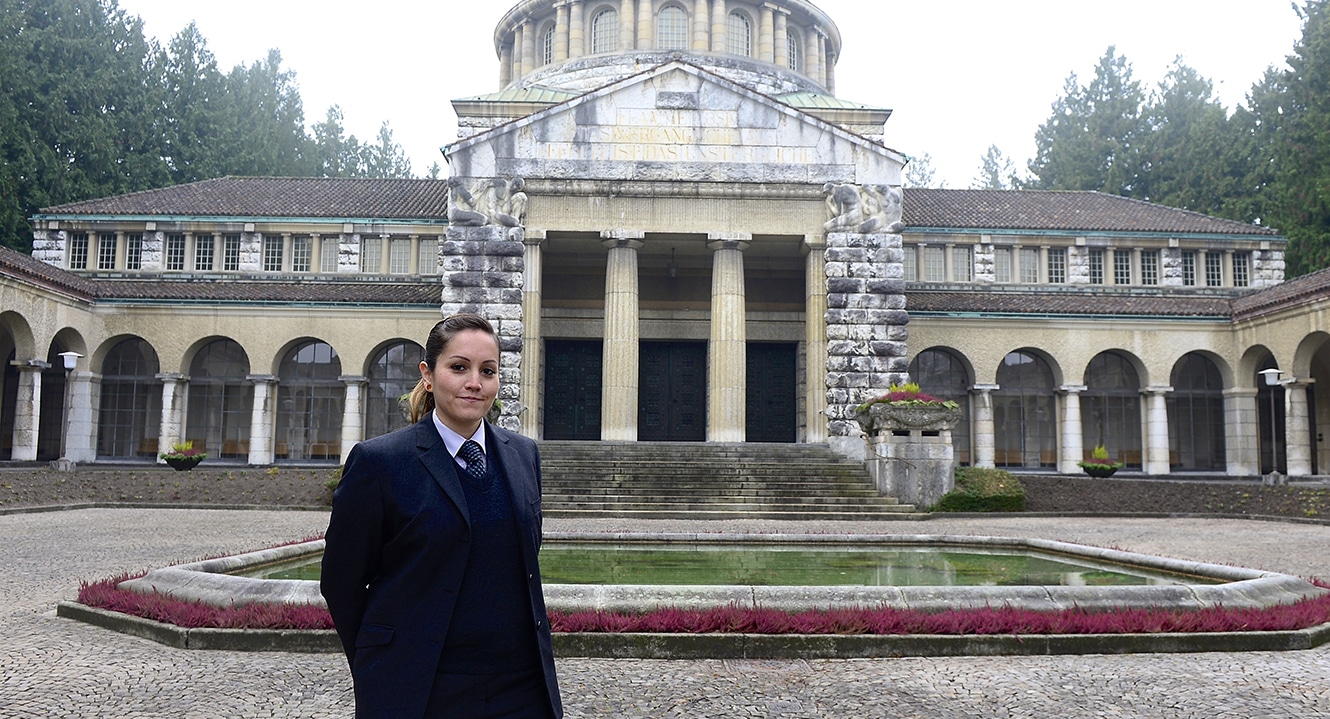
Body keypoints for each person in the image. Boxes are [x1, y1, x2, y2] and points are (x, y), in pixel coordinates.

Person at [321, 313, 563, 719]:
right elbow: (342, 582)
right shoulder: (380, 462)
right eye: (458, 367)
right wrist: (379, 661)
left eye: (488, 371)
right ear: (428, 375)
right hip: (425, 689)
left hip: (520, 687)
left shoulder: (524, 455)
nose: (475, 382)